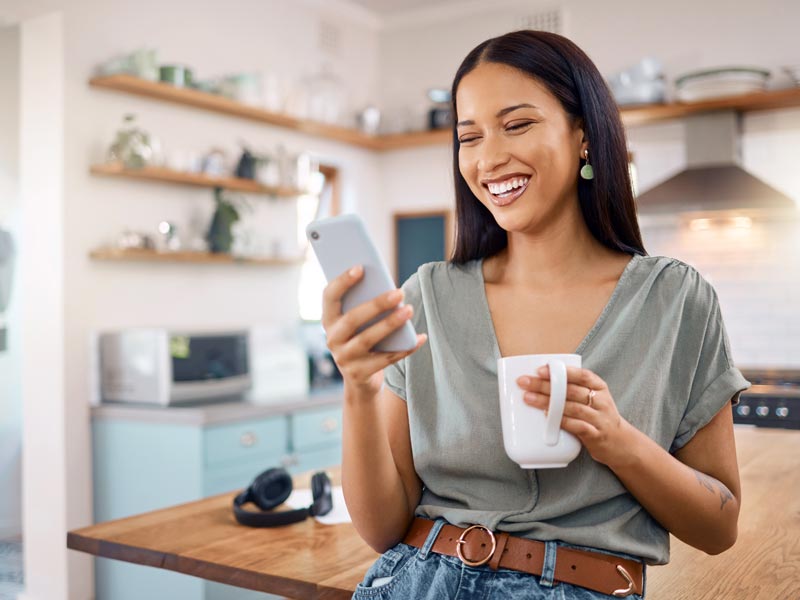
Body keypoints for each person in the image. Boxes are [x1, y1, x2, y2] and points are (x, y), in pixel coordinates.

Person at [321, 30, 749, 599]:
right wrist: (359, 388)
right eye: (468, 136)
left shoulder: (675, 300)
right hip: (418, 581)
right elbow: (380, 530)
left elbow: (719, 527)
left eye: (517, 124)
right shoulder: (427, 297)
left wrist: (618, 441)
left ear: (584, 137)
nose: (490, 157)